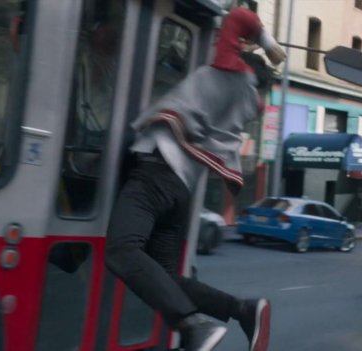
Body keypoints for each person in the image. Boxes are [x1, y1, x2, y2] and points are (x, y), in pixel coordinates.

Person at [104, 8, 285, 351]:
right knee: (166, 279)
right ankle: (242, 310)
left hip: (156, 174)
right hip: (180, 191)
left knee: (121, 250)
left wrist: (265, 41)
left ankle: (192, 326)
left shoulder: (232, 71)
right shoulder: (248, 103)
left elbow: (238, 17)